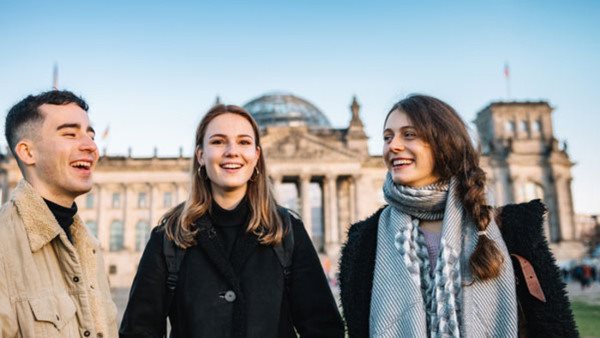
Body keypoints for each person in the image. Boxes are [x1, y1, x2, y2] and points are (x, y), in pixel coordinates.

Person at [120, 104, 344, 337]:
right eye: (218, 141)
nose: (232, 151)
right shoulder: (169, 236)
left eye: (244, 142)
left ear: (256, 156)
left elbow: (323, 328)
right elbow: (139, 330)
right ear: (200, 155)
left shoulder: (286, 231)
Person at [339, 94, 552, 337]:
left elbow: (551, 325)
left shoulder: (513, 228)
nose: (393, 145)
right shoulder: (363, 240)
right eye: (387, 137)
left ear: (444, 143)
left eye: (409, 134)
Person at [0, 90, 118, 337]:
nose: (90, 146)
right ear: (27, 152)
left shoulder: (90, 248)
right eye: (70, 134)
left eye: (90, 134)